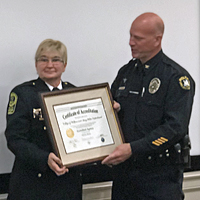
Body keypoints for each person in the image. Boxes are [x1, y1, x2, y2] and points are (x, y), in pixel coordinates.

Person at [102, 12, 195, 200]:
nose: (130, 42)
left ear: (157, 39)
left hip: (159, 177)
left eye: (137, 38)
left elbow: (175, 128)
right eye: (130, 36)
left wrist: (134, 149)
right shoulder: (126, 73)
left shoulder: (175, 78)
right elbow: (110, 112)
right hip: (124, 176)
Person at [5, 39, 82, 200]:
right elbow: (15, 139)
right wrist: (44, 158)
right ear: (36, 64)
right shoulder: (22, 94)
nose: (49, 65)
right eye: (43, 59)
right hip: (32, 184)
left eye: (56, 60)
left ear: (64, 65)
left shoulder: (75, 93)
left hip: (68, 183)